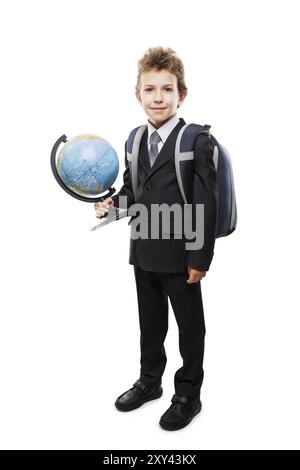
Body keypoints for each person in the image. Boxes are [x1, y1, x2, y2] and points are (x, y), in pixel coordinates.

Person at [94, 47, 218, 431]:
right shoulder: (133, 139)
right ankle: (150, 382)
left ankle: (188, 393)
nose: (159, 97)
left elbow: (206, 203)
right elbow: (134, 192)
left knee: (189, 326)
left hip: (182, 256)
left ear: (182, 94)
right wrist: (113, 206)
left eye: (167, 89)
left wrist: (200, 257)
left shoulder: (196, 140)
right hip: (143, 249)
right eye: (150, 90)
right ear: (138, 95)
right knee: (150, 323)